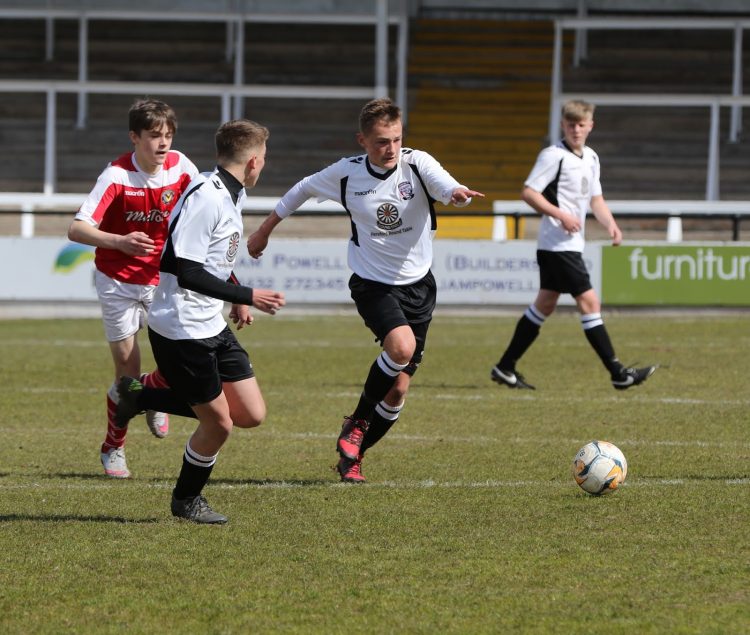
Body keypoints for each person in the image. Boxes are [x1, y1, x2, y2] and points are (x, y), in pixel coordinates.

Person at [247, 97, 484, 483]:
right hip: (372, 283)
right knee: (401, 349)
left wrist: (455, 192)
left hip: (419, 286)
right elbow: (302, 189)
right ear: (362, 140)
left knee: (398, 390)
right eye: (380, 142)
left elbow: (444, 182)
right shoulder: (346, 173)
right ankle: (357, 420)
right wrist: (263, 229)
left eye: (395, 139)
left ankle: (353, 454)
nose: (389, 148)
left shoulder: (417, 164)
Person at [115, 119, 285, 524]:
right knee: (220, 425)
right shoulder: (207, 197)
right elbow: (184, 269)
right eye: (264, 160)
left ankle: (141, 396)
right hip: (182, 329)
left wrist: (235, 288)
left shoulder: (230, 191)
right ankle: (185, 500)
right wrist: (248, 295)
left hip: (211, 324)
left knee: (250, 414)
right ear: (254, 161)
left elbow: (213, 259)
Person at [68, 98, 199, 479]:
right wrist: (119, 241)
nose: (163, 144)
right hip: (118, 282)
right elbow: (77, 229)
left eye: (169, 135)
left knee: (179, 359)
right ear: (134, 137)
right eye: (155, 136)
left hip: (165, 279)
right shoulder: (117, 176)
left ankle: (155, 398)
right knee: (127, 376)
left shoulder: (181, 167)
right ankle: (114, 447)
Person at [490, 99, 656, 391]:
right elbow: (529, 193)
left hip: (569, 244)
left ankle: (505, 367)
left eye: (581, 125)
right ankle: (618, 373)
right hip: (557, 245)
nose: (576, 130)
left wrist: (611, 225)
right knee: (590, 303)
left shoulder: (591, 158)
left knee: (544, 304)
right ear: (563, 125)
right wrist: (560, 215)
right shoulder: (553, 156)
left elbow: (596, 200)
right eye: (570, 125)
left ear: (590, 125)